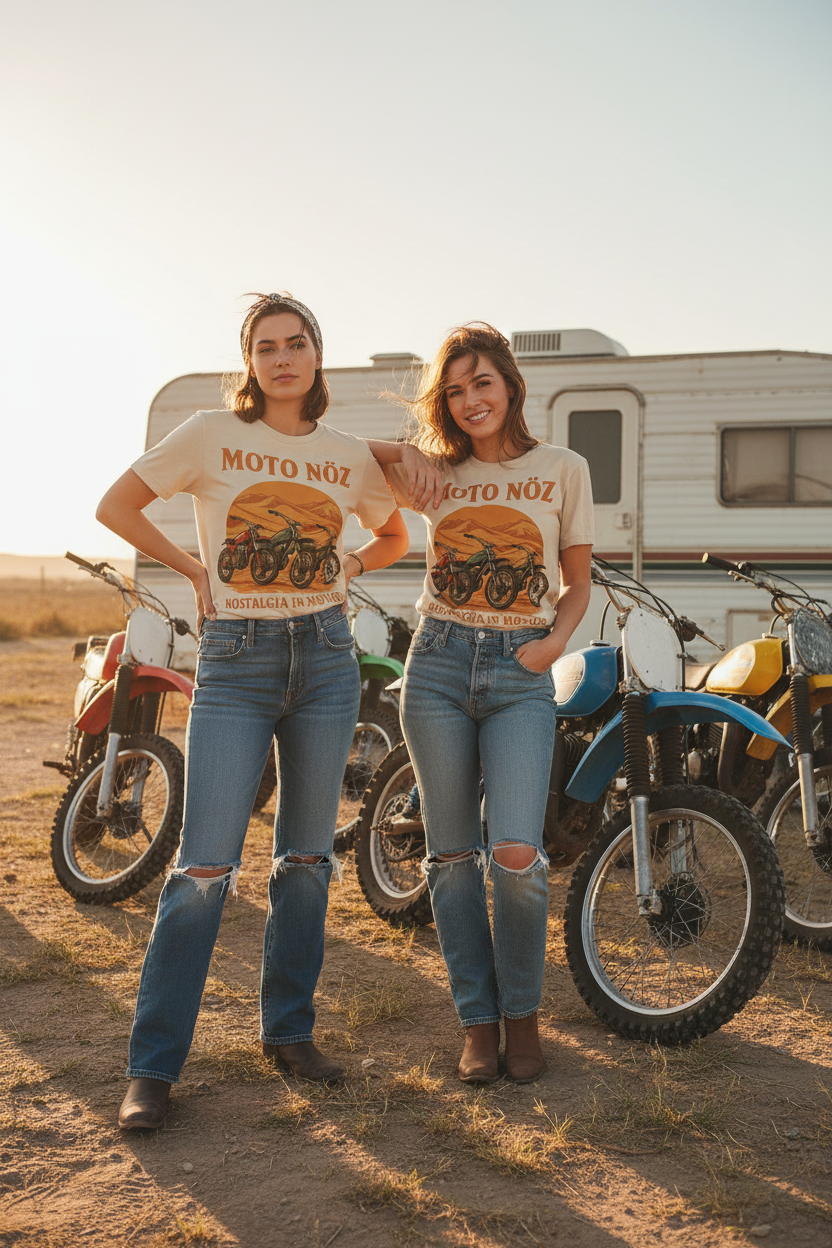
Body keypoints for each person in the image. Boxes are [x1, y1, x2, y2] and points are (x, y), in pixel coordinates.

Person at [97, 293, 441, 1130]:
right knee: (204, 866)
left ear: (317, 356)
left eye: (296, 343)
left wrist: (351, 561)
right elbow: (117, 505)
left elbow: (394, 538)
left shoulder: (345, 455)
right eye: (266, 346)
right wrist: (192, 567)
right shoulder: (212, 436)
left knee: (306, 861)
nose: (282, 358)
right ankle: (152, 1068)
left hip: (326, 658)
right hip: (239, 659)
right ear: (248, 361)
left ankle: (288, 1032)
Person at [383, 323, 594, 1084]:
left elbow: (577, 582)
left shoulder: (562, 468)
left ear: (510, 385)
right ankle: (477, 1019)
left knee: (515, 853)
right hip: (437, 664)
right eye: (455, 390)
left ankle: (522, 1014)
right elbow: (338, 453)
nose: (471, 400)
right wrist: (403, 452)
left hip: (520, 672)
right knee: (449, 854)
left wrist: (553, 645)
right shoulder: (435, 474)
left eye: (483, 384)